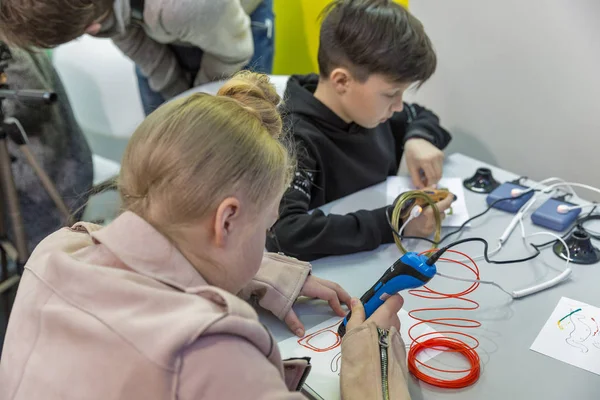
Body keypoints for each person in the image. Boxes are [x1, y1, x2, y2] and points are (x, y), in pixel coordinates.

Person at [0, 72, 413, 399]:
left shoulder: (56, 250)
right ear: (227, 221)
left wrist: (253, 269)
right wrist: (367, 368)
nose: (266, 238)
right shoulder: (209, 352)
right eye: (266, 228)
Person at [266, 0, 453, 261]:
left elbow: (422, 116)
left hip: (376, 259)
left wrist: (416, 139)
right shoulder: (294, 140)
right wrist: (395, 222)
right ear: (342, 81)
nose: (399, 105)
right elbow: (284, 233)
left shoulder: (369, 110)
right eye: (391, 94)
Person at [0, 0, 275, 115]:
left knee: (232, 144)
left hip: (231, 30)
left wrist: (196, 106)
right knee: (166, 127)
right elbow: (132, 39)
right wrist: (175, 101)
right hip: (146, 16)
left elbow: (233, 52)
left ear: (91, 27)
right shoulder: (91, 8)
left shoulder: (188, 6)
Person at [1, 43, 93, 253]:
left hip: (49, 175)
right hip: (24, 173)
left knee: (50, 256)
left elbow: (34, 105)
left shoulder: (10, 44)